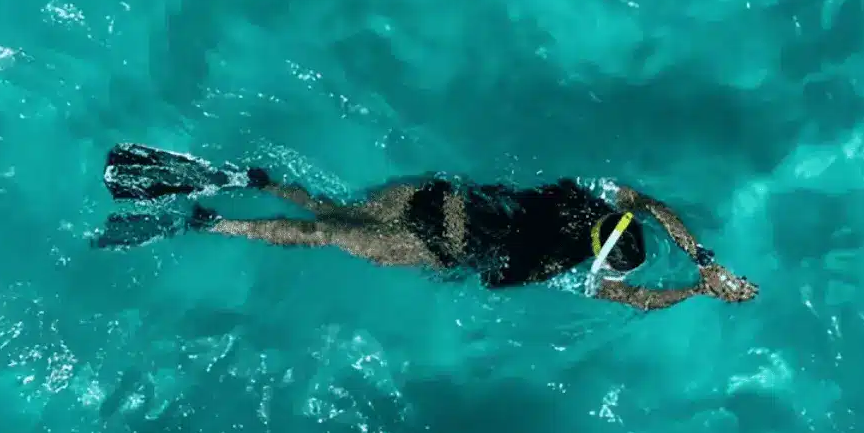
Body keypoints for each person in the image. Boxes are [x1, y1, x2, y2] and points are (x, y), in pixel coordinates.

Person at [97, 144, 759, 311]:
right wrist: (702, 289)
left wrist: (702, 255)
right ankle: (210, 222)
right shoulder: (573, 275)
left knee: (333, 207)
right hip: (431, 243)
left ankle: (261, 181)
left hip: (436, 198)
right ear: (605, 259)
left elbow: (648, 204)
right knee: (323, 234)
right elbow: (638, 298)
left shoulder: (588, 195)